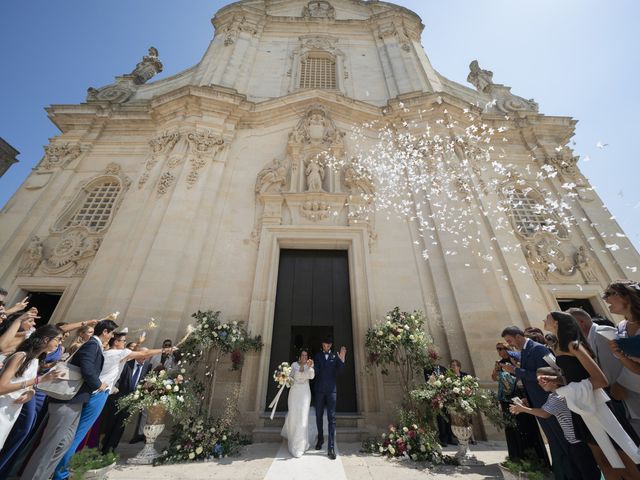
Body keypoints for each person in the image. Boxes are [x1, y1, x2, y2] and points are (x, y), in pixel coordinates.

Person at [543, 311, 640, 479]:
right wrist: (556, 380)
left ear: (557, 323)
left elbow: (600, 380)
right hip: (581, 407)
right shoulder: (558, 347)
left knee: (623, 457)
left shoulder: (574, 345)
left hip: (597, 405)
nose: (544, 320)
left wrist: (567, 390)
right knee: (603, 461)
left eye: (548, 318)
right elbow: (574, 376)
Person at [20, 319, 118, 480]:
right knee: (50, 445)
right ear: (105, 332)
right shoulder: (92, 345)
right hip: (67, 399)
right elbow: (86, 367)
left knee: (63, 444)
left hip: (77, 400)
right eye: (112, 333)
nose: (112, 336)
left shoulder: (96, 345)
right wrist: (99, 384)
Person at [501, 326, 571, 479]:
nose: (510, 344)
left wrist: (515, 371)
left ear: (519, 336)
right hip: (538, 401)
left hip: (549, 401)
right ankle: (560, 472)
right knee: (553, 439)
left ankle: (569, 473)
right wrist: (528, 398)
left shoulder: (538, 349)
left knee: (560, 438)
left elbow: (549, 375)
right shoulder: (525, 351)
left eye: (510, 340)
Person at [510, 367, 601, 480]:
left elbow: (544, 413)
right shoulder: (553, 396)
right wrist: (527, 406)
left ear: (552, 379)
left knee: (587, 474)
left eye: (541, 380)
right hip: (573, 442)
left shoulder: (559, 397)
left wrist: (523, 409)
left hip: (579, 443)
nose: (539, 383)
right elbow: (544, 411)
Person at [0, 325, 62, 449]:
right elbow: (2, 387)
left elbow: (22, 383)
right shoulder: (21, 356)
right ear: (46, 339)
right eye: (58, 339)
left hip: (12, 410)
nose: (60, 343)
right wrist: (38, 380)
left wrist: (31, 393)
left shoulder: (35, 361)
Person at [492, 342, 548, 463]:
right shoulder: (499, 362)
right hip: (506, 397)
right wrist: (497, 370)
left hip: (520, 395)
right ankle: (516, 456)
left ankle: (534, 457)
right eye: (498, 349)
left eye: (502, 348)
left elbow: (524, 374)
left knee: (525, 424)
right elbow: (494, 377)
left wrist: (513, 366)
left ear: (508, 348)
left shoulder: (517, 359)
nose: (500, 351)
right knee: (511, 426)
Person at [100, 349, 152, 453]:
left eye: (146, 356)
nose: (145, 358)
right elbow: (118, 379)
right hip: (118, 397)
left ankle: (111, 449)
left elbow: (145, 381)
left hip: (131, 401)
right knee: (111, 423)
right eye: (143, 355)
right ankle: (104, 447)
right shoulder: (128, 364)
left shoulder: (148, 366)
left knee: (121, 426)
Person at [313, 336, 346, 460]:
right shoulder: (317, 356)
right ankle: (320, 438)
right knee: (318, 415)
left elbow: (341, 370)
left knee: (331, 418)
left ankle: (330, 447)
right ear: (322, 345)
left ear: (331, 345)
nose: (326, 347)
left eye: (328, 345)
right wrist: (311, 367)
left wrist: (342, 358)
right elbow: (316, 370)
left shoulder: (335, 356)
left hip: (332, 391)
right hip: (320, 390)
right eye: (324, 345)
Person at [281, 348, 315, 457]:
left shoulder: (309, 365)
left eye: (306, 356)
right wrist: (283, 378)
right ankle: (293, 444)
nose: (304, 357)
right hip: (294, 394)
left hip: (305, 393)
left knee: (303, 419)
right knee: (294, 417)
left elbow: (312, 376)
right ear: (299, 357)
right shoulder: (294, 365)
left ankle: (300, 446)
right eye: (303, 355)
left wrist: (309, 368)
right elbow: (290, 379)